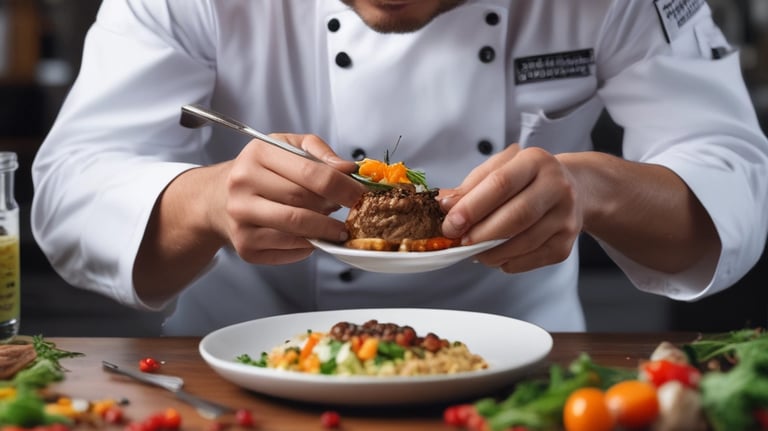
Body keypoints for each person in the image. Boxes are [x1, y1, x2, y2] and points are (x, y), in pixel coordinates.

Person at [31, 0, 768, 335]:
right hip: (234, 381)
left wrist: (592, 185)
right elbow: (72, 182)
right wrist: (208, 200)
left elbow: (730, 170)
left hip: (517, 380)